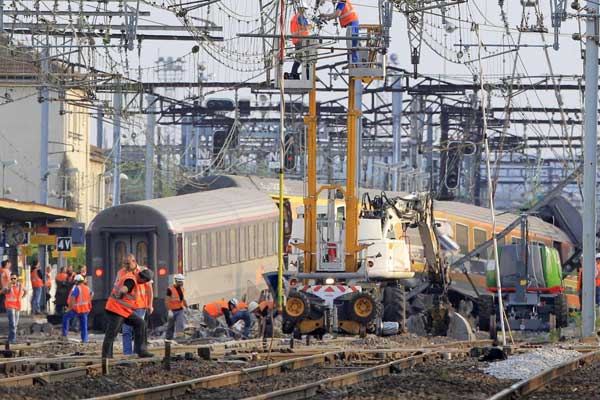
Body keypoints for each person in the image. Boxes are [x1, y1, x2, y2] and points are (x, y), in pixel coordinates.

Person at [101, 268, 154, 358]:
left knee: (141, 323)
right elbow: (124, 289)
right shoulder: (131, 280)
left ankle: (141, 350)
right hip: (116, 309)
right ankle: (106, 357)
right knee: (112, 333)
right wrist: (122, 292)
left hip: (124, 310)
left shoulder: (132, 278)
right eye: (144, 282)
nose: (143, 284)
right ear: (142, 279)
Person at [116, 254, 154, 355]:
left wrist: (150, 304)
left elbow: (149, 289)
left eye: (128, 264)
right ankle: (127, 354)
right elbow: (117, 288)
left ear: (134, 261)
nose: (126, 266)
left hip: (140, 306)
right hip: (126, 307)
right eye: (125, 264)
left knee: (138, 329)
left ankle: (138, 351)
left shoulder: (143, 271)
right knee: (126, 331)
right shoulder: (121, 272)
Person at [62, 275, 92, 342]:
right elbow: (92, 294)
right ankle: (84, 340)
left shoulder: (77, 288)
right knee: (84, 325)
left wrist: (69, 309)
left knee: (66, 317)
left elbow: (72, 298)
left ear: (76, 281)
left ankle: (64, 335)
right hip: (85, 309)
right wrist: (88, 301)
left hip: (77, 309)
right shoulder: (87, 288)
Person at [288, 1, 311, 79]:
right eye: (303, 9)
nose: (304, 10)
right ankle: (308, 75)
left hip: (298, 40)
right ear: (300, 9)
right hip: (301, 40)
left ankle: (293, 74)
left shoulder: (295, 17)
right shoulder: (299, 17)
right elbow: (306, 26)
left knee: (299, 58)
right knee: (308, 57)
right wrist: (310, 25)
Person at [165, 274, 187, 341]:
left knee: (180, 325)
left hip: (180, 310)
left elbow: (183, 299)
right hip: (172, 310)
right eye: (179, 281)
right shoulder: (170, 289)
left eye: (181, 281)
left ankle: (180, 338)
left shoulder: (182, 289)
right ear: (176, 281)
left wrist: (187, 306)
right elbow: (167, 301)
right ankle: (168, 338)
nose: (180, 283)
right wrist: (169, 310)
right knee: (170, 325)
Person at [5, 273, 26, 343]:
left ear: (17, 278)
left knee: (15, 324)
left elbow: (25, 291)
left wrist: (22, 297)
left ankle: (10, 338)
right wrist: (9, 287)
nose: (13, 280)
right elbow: (6, 292)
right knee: (12, 323)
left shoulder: (20, 285)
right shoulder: (8, 285)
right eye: (11, 278)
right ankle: (13, 340)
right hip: (10, 306)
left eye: (14, 278)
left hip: (17, 306)